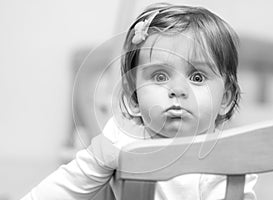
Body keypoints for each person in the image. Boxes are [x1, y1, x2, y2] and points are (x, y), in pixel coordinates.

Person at [21, 3, 257, 200]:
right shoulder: (120, 137)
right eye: (160, 76)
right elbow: (65, 186)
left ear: (225, 99)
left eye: (197, 77)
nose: (177, 90)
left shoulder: (229, 154)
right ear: (133, 98)